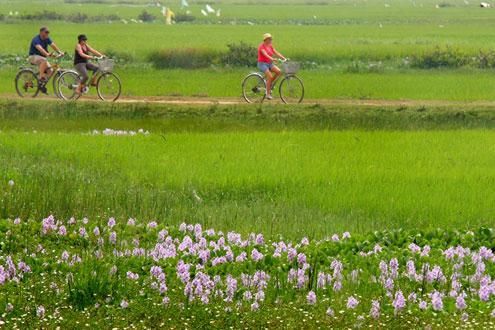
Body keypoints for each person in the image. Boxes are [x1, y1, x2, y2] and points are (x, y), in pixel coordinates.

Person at [28, 26, 63, 94]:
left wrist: (59, 52)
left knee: (50, 71)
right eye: (46, 32)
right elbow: (40, 49)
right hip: (33, 56)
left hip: (41, 57)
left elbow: (53, 45)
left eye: (48, 32)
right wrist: (47, 54)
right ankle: (41, 78)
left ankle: (41, 84)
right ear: (41, 32)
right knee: (44, 60)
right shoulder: (36, 39)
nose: (47, 34)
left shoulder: (47, 38)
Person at [257, 33, 286, 100]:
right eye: (269, 39)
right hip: (262, 64)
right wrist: (272, 58)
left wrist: (284, 58)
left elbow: (276, 52)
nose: (271, 40)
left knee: (279, 72)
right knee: (270, 76)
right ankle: (267, 94)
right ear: (265, 39)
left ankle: (270, 84)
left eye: (271, 39)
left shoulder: (270, 46)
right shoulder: (261, 47)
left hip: (269, 63)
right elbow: (265, 54)